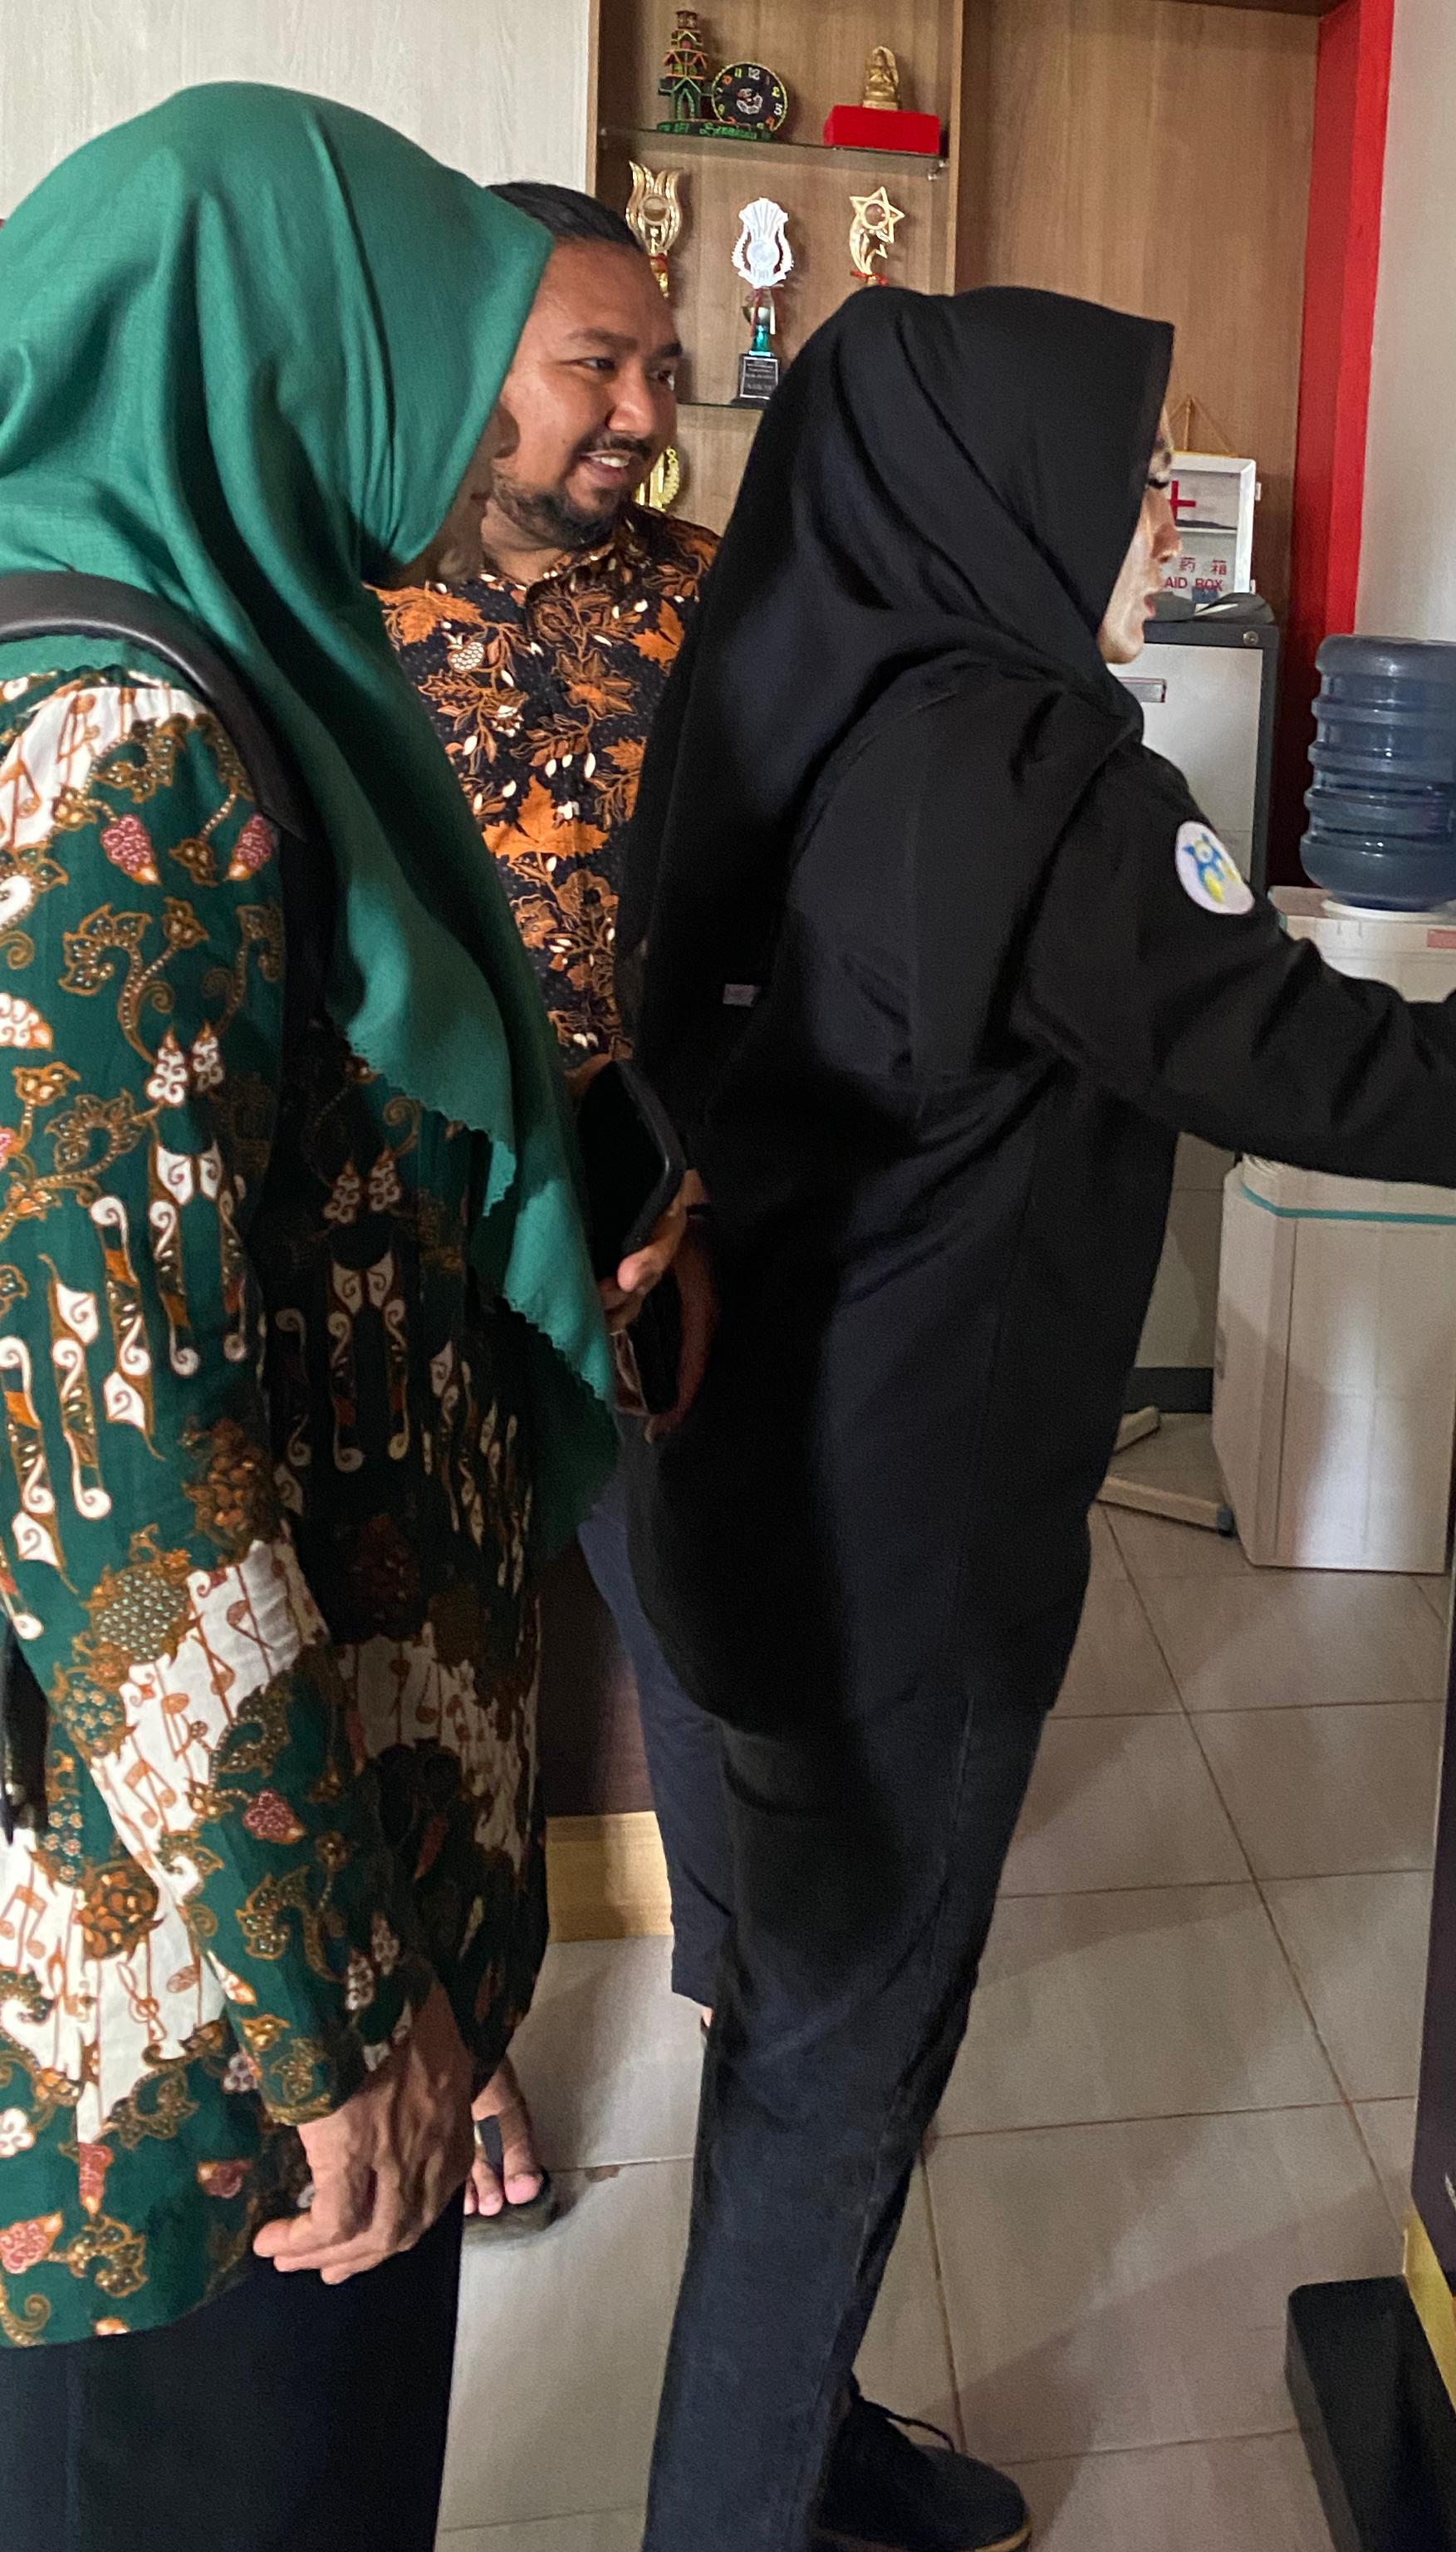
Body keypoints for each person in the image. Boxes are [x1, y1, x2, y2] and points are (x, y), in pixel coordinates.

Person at [619, 284, 1456, 2552]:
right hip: (910, 1536)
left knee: (802, 2019)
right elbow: (1367, 1083)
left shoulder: (815, 698)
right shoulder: (1039, 779)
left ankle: (802, 2446)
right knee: (837, 2063)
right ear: (1003, 490)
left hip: (758, 1490)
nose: (1168, 512)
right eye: (1136, 467)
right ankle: (743, 2504)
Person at [0, 86, 679, 2552]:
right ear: (278, 353)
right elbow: (125, 1482)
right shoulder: (132, 763)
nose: (465, 425)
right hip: (210, 2013)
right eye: (435, 352)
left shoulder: (211, 680)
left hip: (290, 1897)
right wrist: (341, 2013)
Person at [380, 184, 733, 2228]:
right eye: (595, 364)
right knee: (429, 1628)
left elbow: (786, 918)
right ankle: (463, 2043)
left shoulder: (714, 602)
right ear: (477, 363)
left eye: (659, 369)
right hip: (404, 1207)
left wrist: (706, 1188)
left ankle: (748, 1997)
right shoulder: (335, 596)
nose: (641, 413)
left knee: (691, 1599)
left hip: (637, 1185)